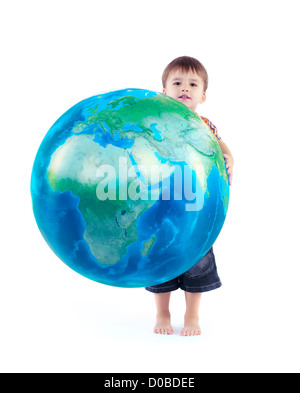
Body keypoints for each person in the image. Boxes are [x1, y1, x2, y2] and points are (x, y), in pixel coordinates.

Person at [145, 56, 234, 336]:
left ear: (203, 95)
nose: (185, 87)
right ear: (164, 92)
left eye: (193, 84)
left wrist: (229, 156)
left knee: (196, 260)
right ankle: (162, 312)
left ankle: (192, 315)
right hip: (161, 204)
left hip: (195, 210)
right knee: (161, 259)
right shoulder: (156, 122)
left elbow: (220, 146)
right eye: (177, 82)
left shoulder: (204, 124)